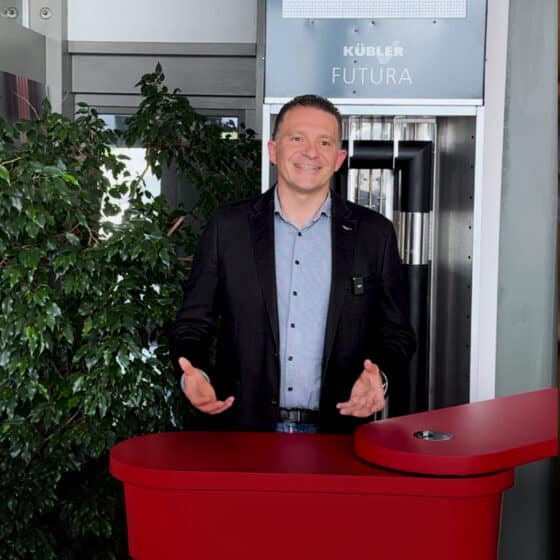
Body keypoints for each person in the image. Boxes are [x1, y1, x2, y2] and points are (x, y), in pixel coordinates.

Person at [168, 94, 416, 433]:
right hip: (245, 432)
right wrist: (195, 374)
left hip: (338, 434)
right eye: (297, 138)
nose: (311, 152)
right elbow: (192, 324)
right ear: (273, 150)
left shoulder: (374, 234)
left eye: (324, 142)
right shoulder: (228, 228)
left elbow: (397, 333)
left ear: (338, 158)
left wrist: (381, 378)